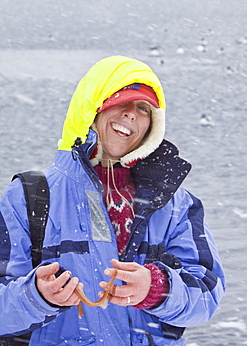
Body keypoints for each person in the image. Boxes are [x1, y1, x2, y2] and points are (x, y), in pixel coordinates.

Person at [0, 55, 225, 345]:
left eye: (144, 109)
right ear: (90, 111)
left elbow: (207, 293)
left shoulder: (178, 205)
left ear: (152, 127)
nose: (132, 114)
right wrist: (36, 296)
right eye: (121, 101)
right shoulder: (27, 196)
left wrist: (157, 289)